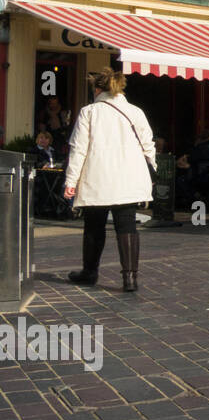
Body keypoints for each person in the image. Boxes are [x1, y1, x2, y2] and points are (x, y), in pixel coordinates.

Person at [62, 70, 155, 292]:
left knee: (94, 225)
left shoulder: (89, 112)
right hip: (130, 178)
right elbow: (148, 144)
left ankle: (90, 271)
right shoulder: (136, 111)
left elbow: (78, 149)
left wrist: (71, 180)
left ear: (97, 89)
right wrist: (151, 170)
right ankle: (130, 279)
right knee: (127, 225)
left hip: (98, 177)